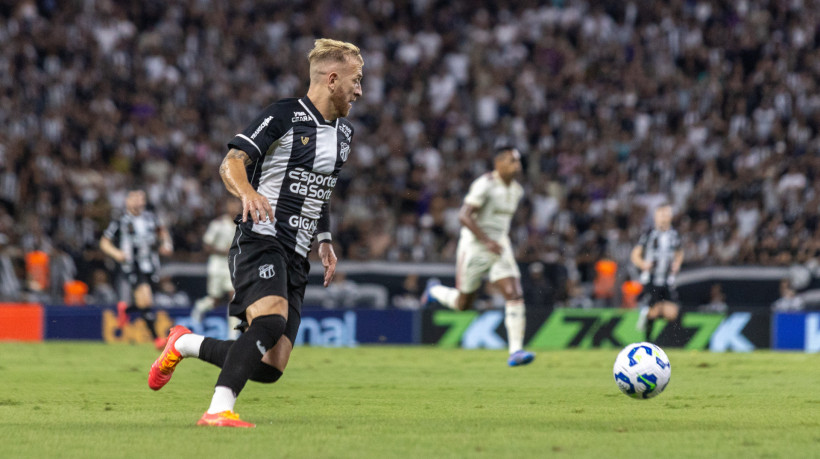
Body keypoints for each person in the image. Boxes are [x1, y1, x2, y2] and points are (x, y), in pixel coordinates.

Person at [147, 38, 364, 428]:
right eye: (356, 80)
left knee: (270, 366)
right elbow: (231, 162)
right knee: (270, 320)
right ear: (332, 79)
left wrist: (325, 238)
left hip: (297, 255)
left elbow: (320, 188)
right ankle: (218, 410)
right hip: (260, 239)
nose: (360, 90)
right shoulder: (283, 116)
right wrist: (247, 191)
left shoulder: (344, 135)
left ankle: (182, 342)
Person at [422, 146, 536, 367]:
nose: (517, 166)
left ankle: (516, 351)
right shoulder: (485, 185)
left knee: (514, 293)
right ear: (499, 163)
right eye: (513, 161)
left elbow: (502, 222)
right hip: (475, 246)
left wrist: (499, 241)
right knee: (463, 303)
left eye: (519, 161)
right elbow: (463, 215)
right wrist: (486, 240)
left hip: (499, 246)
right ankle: (434, 290)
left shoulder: (517, 190)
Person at [100, 189, 173, 349]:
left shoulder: (151, 218)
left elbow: (163, 232)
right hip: (132, 265)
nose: (138, 201)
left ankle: (126, 309)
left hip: (151, 265)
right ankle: (157, 340)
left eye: (141, 197)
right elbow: (104, 242)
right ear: (127, 201)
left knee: (146, 302)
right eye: (134, 197)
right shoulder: (120, 220)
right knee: (146, 300)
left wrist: (166, 245)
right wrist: (116, 253)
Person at [631, 204, 684, 343]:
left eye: (667, 214)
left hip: (667, 280)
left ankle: (646, 313)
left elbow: (679, 252)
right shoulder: (649, 234)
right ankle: (648, 341)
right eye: (661, 214)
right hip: (651, 279)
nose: (664, 217)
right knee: (654, 312)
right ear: (655, 216)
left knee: (672, 313)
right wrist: (643, 264)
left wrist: (677, 264)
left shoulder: (674, 235)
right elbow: (635, 255)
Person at [191, 199, 243, 338]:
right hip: (217, 266)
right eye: (232, 205)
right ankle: (199, 307)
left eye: (237, 205)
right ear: (227, 206)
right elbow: (206, 246)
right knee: (214, 300)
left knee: (234, 297)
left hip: (232, 266)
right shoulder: (217, 224)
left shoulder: (242, 224)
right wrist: (223, 251)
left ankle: (232, 335)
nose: (235, 208)